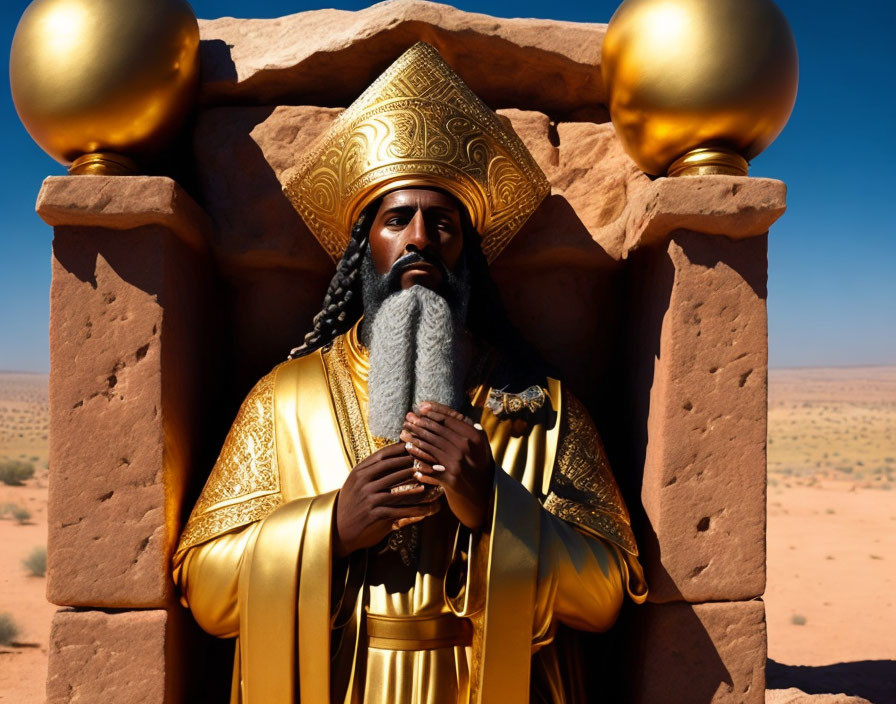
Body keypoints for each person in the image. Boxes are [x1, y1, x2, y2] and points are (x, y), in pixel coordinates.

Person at [172, 42, 647, 704]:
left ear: (467, 255)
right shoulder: (285, 401)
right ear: (365, 247)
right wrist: (330, 528)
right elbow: (204, 586)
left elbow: (605, 594)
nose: (420, 237)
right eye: (398, 219)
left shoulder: (539, 406)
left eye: (443, 223)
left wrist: (495, 509)